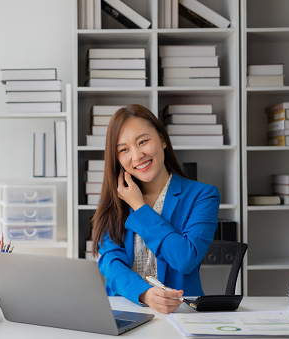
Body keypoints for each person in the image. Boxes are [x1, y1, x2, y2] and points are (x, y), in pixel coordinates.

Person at [91, 104, 220, 314]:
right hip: (126, 307)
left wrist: (139, 206)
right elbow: (110, 263)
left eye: (143, 141)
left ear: (162, 139)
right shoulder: (113, 201)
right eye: (124, 149)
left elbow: (185, 258)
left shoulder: (203, 196)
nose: (137, 155)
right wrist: (144, 293)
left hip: (180, 312)